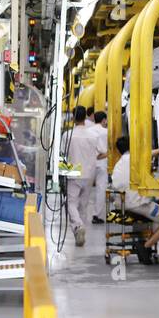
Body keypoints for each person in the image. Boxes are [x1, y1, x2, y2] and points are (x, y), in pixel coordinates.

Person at [109, 135, 159, 250]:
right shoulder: (134, 159)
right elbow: (152, 153)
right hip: (138, 205)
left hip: (121, 205)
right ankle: (145, 247)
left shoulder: (119, 164)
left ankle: (146, 240)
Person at [65, 105, 101, 247]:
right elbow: (100, 152)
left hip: (73, 173)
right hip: (89, 173)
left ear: (73, 118)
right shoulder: (93, 136)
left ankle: (78, 226)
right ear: (86, 117)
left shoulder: (68, 135)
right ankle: (80, 232)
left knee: (71, 203)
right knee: (83, 206)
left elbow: (62, 154)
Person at [91, 110, 110, 224]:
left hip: (89, 162)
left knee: (85, 189)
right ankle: (96, 215)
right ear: (104, 120)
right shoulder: (106, 132)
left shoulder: (88, 131)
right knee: (100, 190)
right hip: (102, 162)